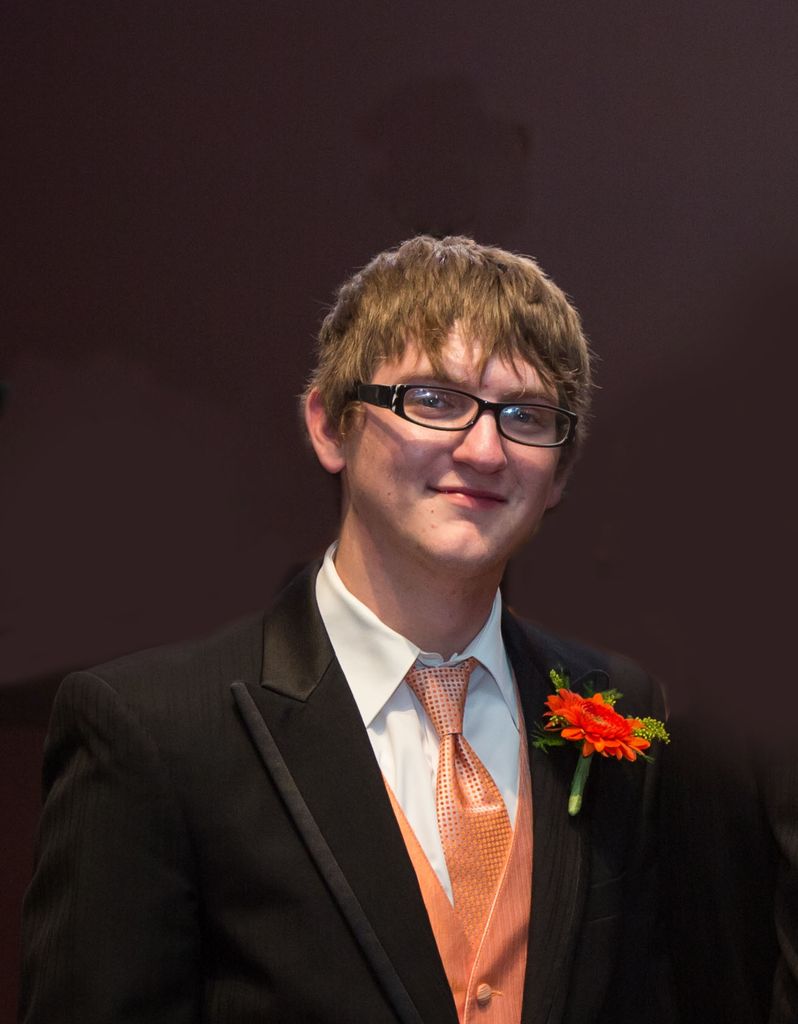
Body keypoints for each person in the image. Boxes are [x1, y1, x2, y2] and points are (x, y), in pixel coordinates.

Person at [20, 235, 667, 1024]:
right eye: (435, 400)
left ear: (560, 471)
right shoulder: (152, 730)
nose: (486, 449)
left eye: (526, 416)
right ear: (330, 426)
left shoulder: (620, 706)